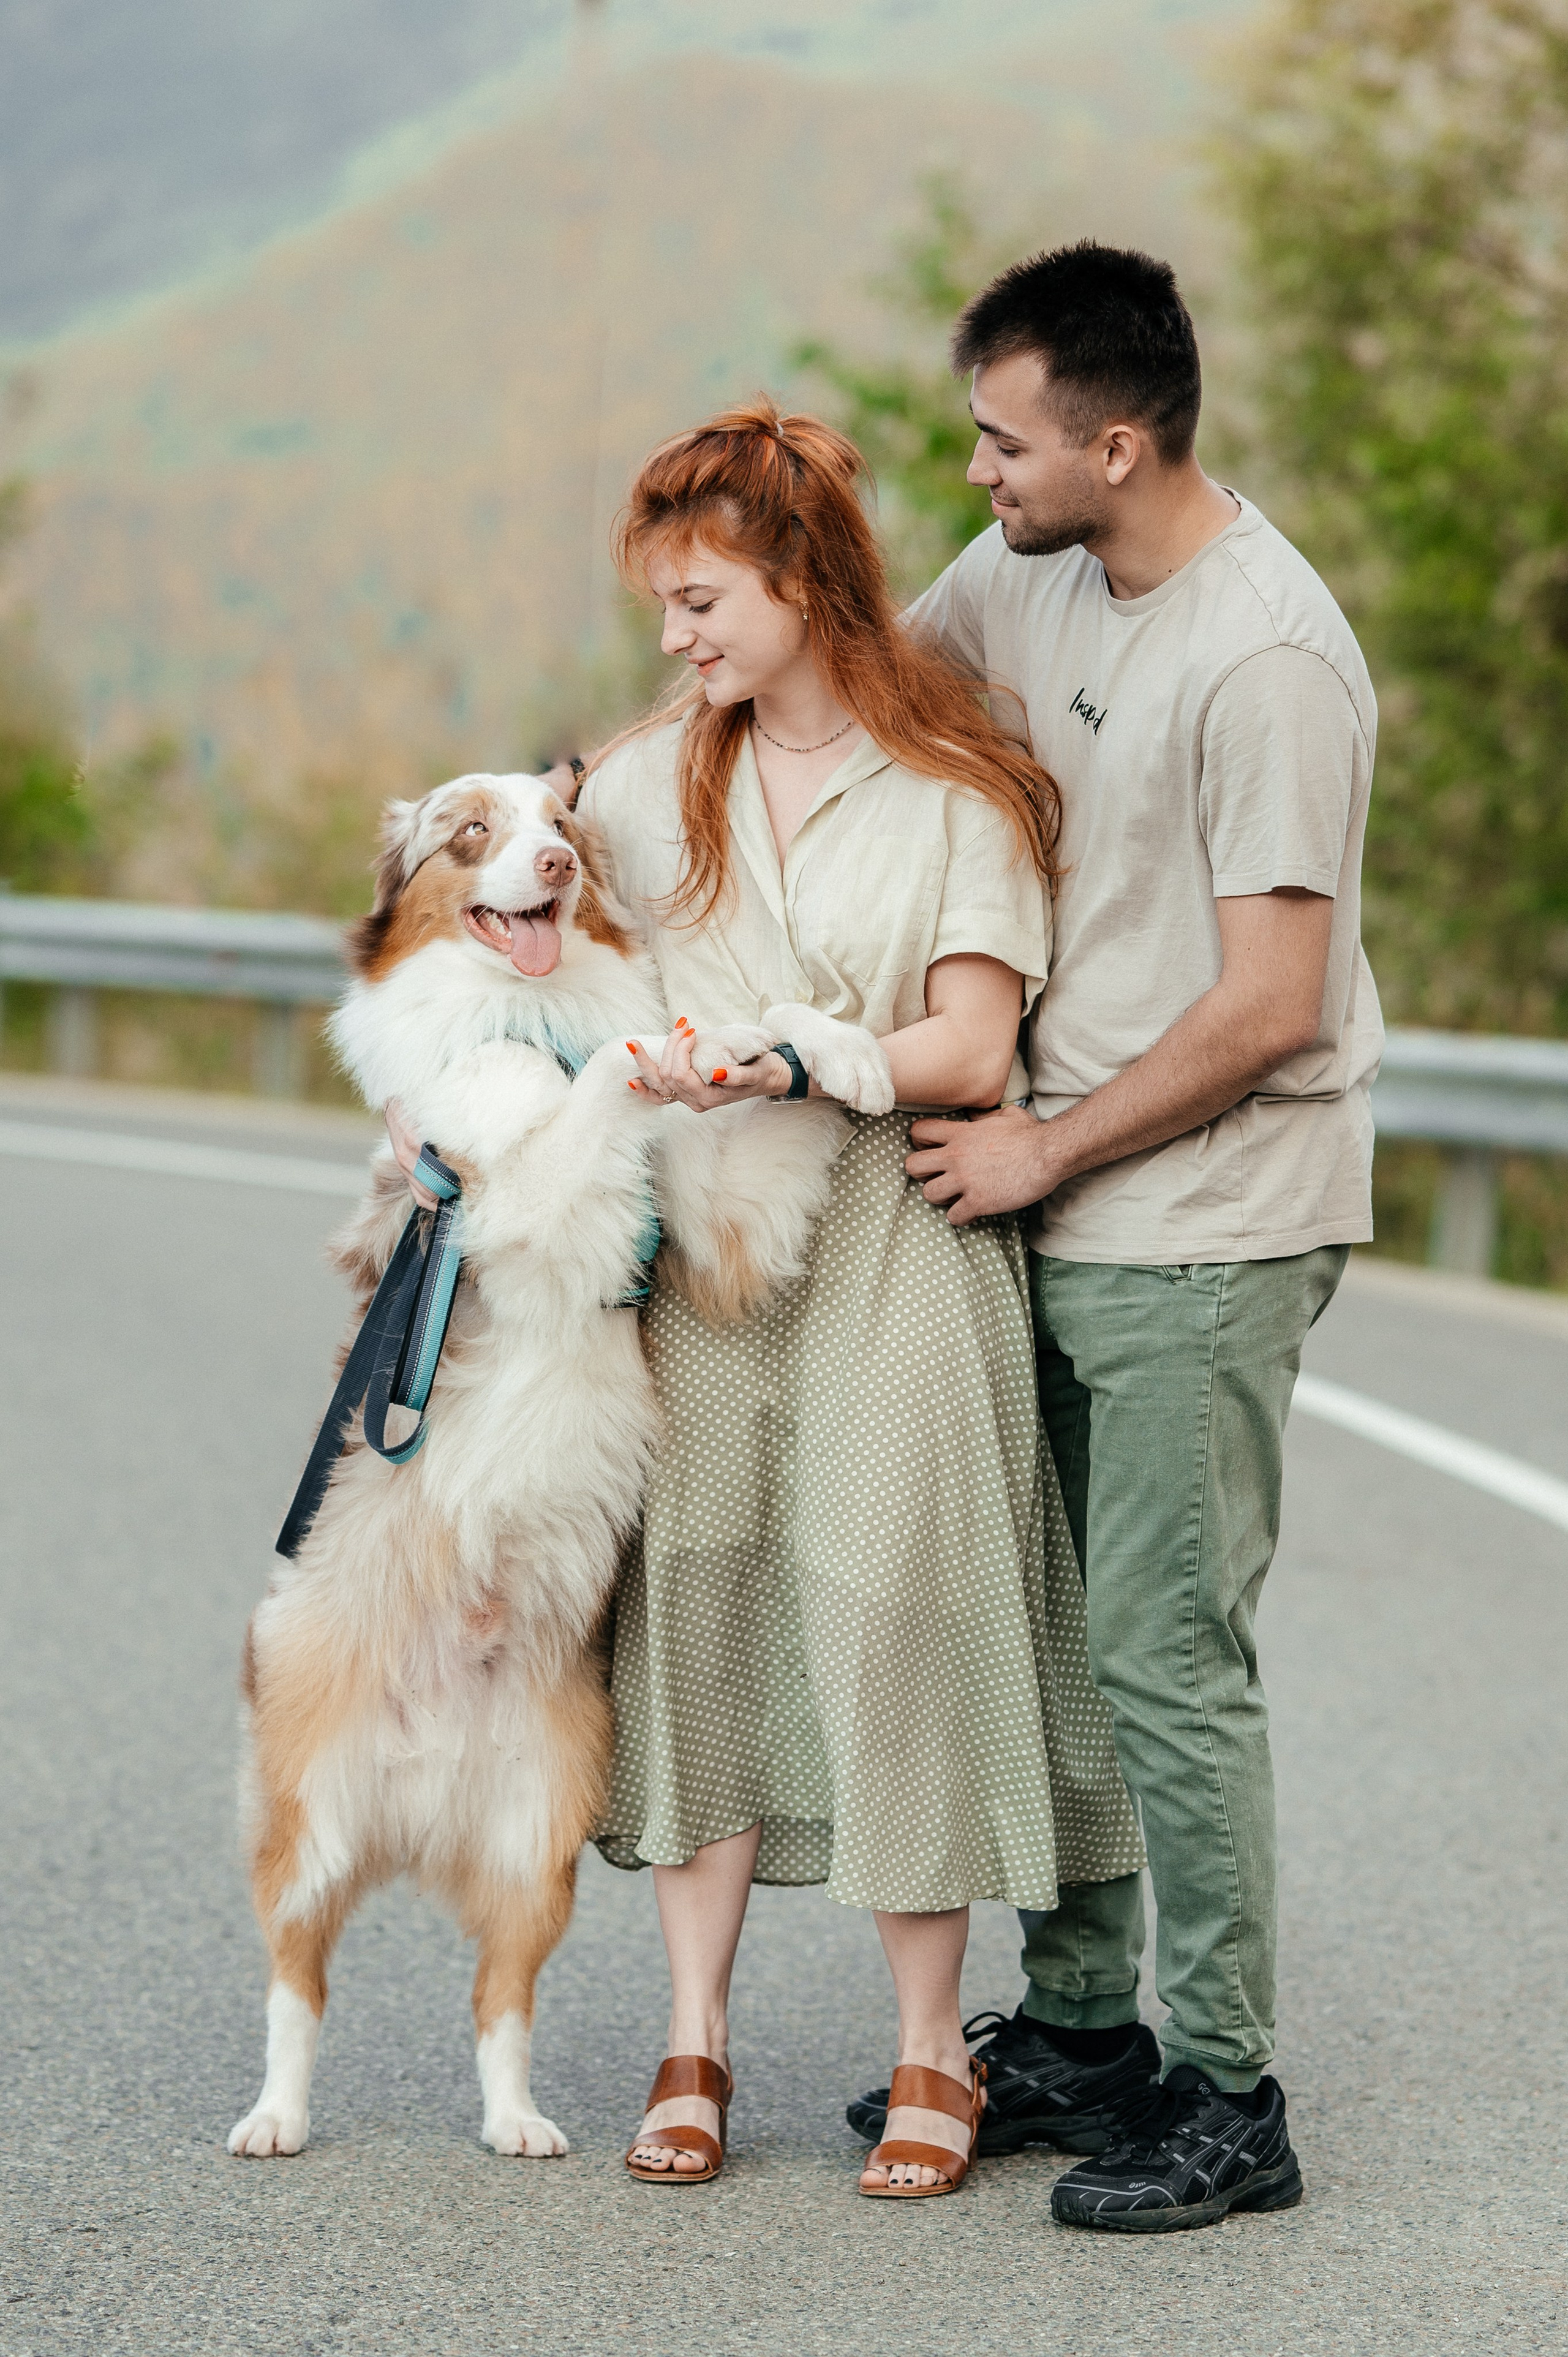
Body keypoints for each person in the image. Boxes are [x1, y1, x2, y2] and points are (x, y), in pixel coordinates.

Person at [857, 241, 1381, 2230]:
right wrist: (583, 796)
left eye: (1003, 440)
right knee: (1066, 1644)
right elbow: (867, 680)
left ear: (1118, 439)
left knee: (1164, 1653)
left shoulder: (1267, 660)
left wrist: (1041, 1148)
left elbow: (1277, 1011)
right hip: (1066, 1195)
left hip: (1202, 1218)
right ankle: (1083, 2034)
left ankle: (1233, 2093)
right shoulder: (1036, 572)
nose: (975, 469)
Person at [574, 399, 1145, 2196]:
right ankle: (696, 2036)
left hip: (899, 1233)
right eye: (665, 608)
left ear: (801, 578)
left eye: (699, 599)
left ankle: (929, 2053)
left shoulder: (959, 784)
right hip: (716, 1253)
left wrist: (806, 1054)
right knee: (705, 1601)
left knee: (902, 1606)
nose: (676, 638)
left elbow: (975, 1044)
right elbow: (564, 983)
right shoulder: (637, 787)